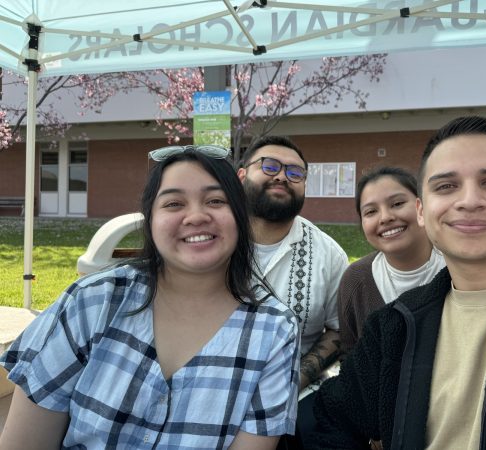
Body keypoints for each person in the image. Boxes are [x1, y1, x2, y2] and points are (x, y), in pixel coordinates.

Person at [312, 116, 486, 449]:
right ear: (422, 211)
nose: (469, 200)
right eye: (446, 186)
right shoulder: (395, 326)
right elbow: (332, 418)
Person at [0, 145, 300, 450]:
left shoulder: (274, 331)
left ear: (239, 216)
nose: (196, 216)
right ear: (150, 220)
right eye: (173, 203)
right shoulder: (92, 302)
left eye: (215, 200)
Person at [237, 136, 348, 449]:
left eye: (295, 173)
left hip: (296, 394)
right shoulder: (213, 240)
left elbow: (338, 331)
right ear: (242, 176)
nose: (282, 176)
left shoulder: (329, 255)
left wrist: (295, 380)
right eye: (270, 166)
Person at [339, 167, 445, 355]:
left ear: (421, 207)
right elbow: (350, 357)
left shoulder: (457, 269)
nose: (386, 217)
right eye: (371, 212)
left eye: (397, 204)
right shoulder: (356, 280)